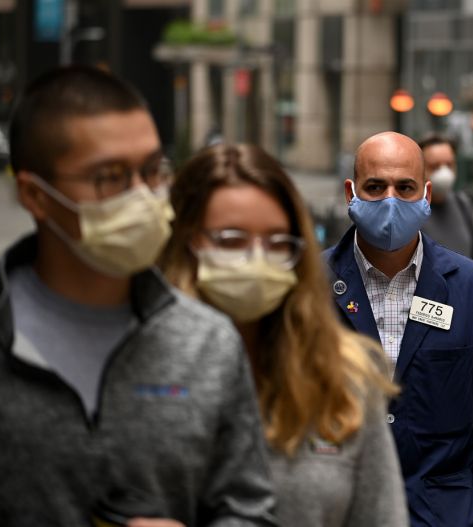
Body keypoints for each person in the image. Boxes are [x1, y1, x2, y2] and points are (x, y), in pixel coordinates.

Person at [0, 66, 276, 526]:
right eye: (110, 176)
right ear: (35, 195)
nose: (145, 196)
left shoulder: (208, 343)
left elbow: (250, 510)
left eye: (153, 171)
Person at [158, 143, 408, 527]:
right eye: (231, 240)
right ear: (185, 243)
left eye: (277, 243)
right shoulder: (139, 367)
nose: (257, 259)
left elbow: (381, 515)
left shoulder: (342, 375)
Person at [324, 131, 473, 527]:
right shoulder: (310, 291)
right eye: (375, 187)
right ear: (350, 192)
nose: (390, 199)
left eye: (405, 187)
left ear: (426, 193)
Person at [418, 134, 473, 261]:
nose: (444, 172)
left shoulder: (462, 204)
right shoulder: (411, 210)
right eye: (434, 166)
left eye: (449, 164)